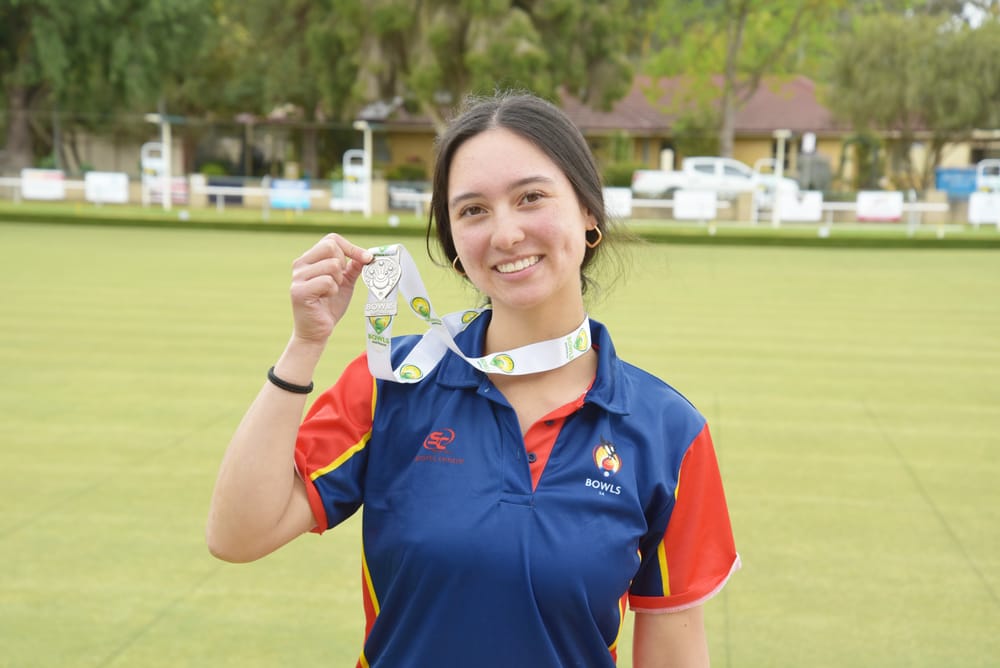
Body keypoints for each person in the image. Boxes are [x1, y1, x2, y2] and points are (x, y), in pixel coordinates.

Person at [207, 91, 739, 667]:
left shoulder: (669, 431)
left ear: (589, 213)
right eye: (473, 210)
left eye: (531, 197)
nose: (506, 234)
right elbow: (237, 535)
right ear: (455, 244)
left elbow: (674, 648)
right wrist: (305, 345)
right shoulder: (393, 383)